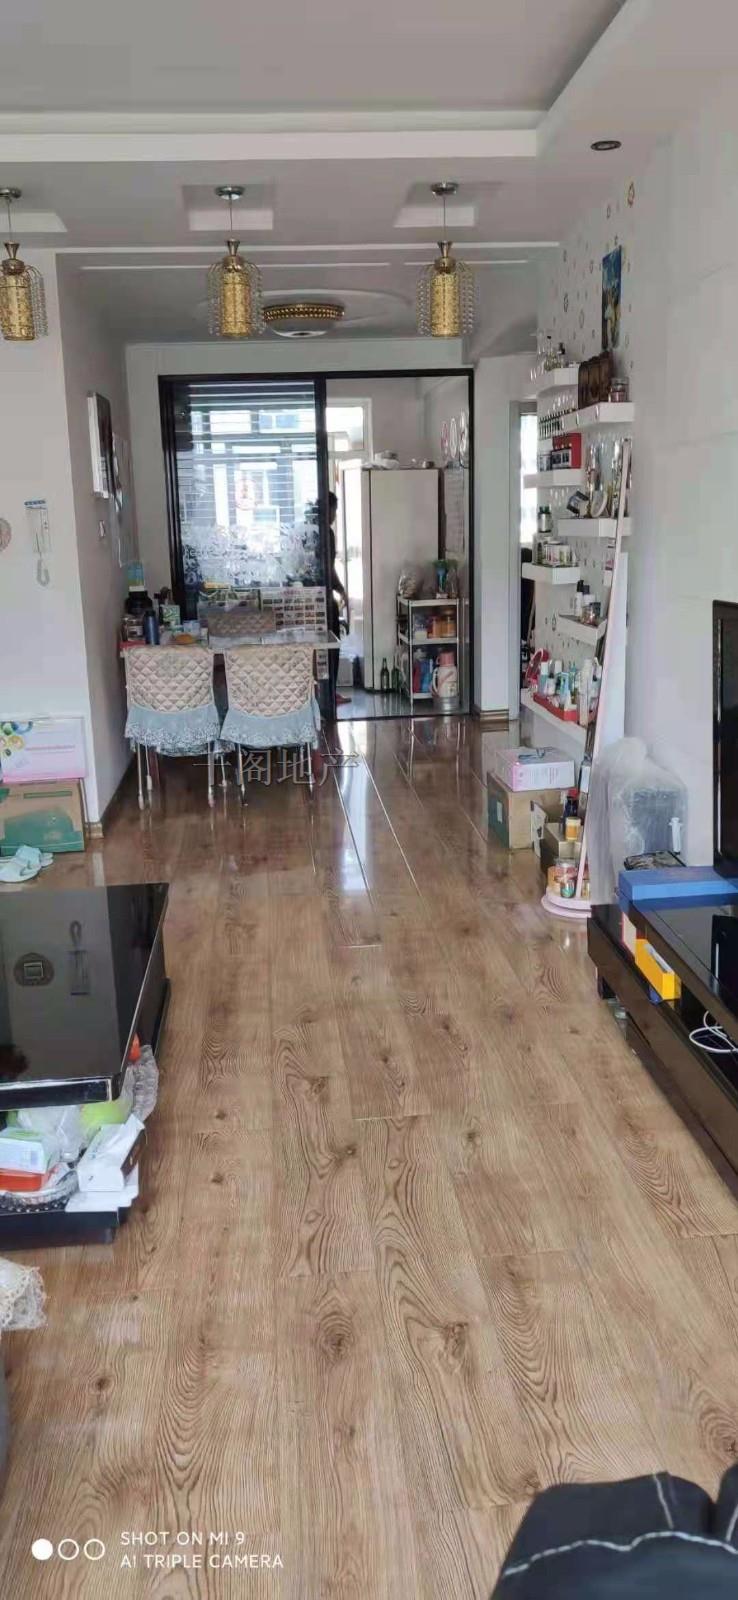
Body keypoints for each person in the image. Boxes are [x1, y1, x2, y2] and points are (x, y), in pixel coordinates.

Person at [327, 490, 350, 707]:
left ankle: (323, 693)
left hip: (313, 600)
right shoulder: (327, 534)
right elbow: (328, 568)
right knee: (332, 646)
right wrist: (341, 589)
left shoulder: (309, 532)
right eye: (334, 510)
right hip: (325, 602)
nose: (334, 516)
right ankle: (330, 693)